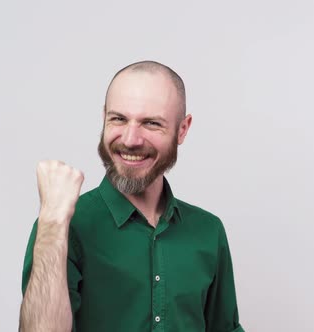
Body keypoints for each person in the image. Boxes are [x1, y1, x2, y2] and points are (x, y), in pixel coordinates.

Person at [19, 60, 245, 332]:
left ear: (182, 130)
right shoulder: (64, 226)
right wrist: (53, 221)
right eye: (118, 119)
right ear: (104, 117)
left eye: (151, 123)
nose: (130, 139)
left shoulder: (208, 231)